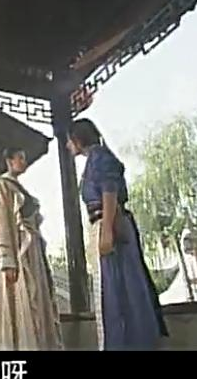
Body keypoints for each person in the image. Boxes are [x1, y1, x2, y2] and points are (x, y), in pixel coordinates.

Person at [67, 118, 169, 350]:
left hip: (111, 224)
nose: (68, 146)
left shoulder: (101, 158)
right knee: (113, 289)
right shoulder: (94, 160)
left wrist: (106, 231)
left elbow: (109, 192)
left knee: (122, 289)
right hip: (104, 223)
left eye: (69, 140)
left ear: (78, 140)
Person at [0, 147, 63, 350]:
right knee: (20, 300)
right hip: (17, 251)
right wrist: (6, 259)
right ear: (9, 160)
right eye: (20, 158)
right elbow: (0, 222)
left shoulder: (19, 188)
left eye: (24, 158)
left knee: (38, 299)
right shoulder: (1, 186)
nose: (24, 161)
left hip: (32, 250)